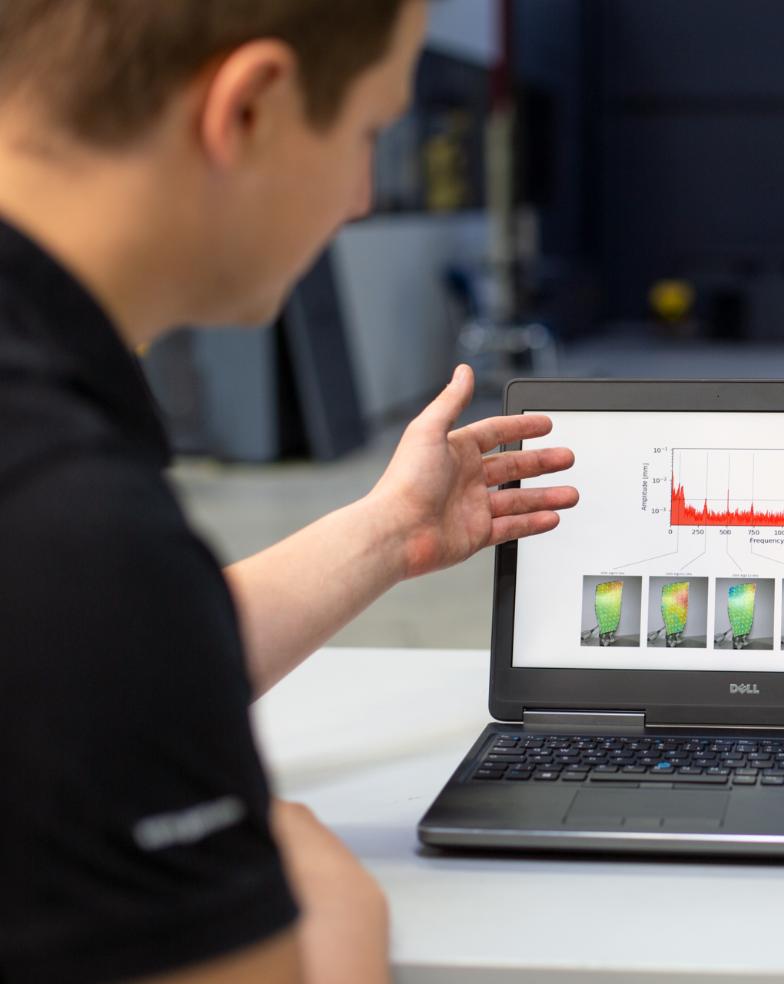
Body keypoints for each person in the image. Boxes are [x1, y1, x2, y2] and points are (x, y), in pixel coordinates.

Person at [0, 2, 578, 982]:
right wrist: (327, 907)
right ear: (253, 109)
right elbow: (96, 613)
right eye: (363, 134)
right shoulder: (73, 535)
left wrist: (392, 532)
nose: (359, 196)